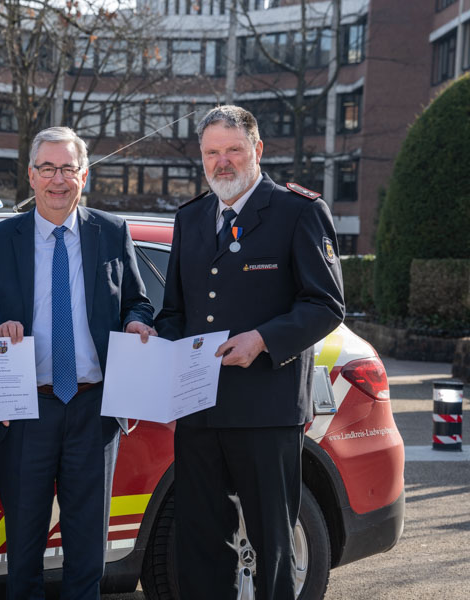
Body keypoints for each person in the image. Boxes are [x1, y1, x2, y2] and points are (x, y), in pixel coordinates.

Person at [155, 105, 344, 600]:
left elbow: (326, 305)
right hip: (198, 411)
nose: (222, 162)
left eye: (233, 150)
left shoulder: (298, 211)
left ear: (257, 151)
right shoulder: (191, 217)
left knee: (272, 545)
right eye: (212, 152)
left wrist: (262, 340)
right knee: (198, 543)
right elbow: (174, 310)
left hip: (266, 410)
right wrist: (160, 347)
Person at [0, 126, 156, 599]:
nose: (57, 179)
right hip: (26, 410)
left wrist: (135, 323)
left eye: (67, 168)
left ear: (83, 176)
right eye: (47, 168)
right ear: (31, 176)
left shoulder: (111, 233)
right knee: (24, 545)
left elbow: (140, 301)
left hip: (94, 410)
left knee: (88, 544)